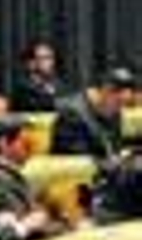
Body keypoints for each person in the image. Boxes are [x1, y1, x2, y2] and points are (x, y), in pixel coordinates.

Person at [51, 67, 141, 219]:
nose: (120, 109)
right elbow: (79, 162)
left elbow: (114, 149)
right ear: (106, 91)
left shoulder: (112, 108)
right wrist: (122, 164)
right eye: (119, 103)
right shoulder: (72, 113)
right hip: (85, 188)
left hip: (111, 178)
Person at [0, 114, 67, 238]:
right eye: (26, 143)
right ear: (3, 143)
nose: (32, 149)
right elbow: (22, 230)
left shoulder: (9, 175)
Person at [9, 40, 67, 113]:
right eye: (42, 58)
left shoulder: (61, 85)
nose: (47, 63)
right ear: (31, 63)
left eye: (49, 58)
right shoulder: (23, 89)